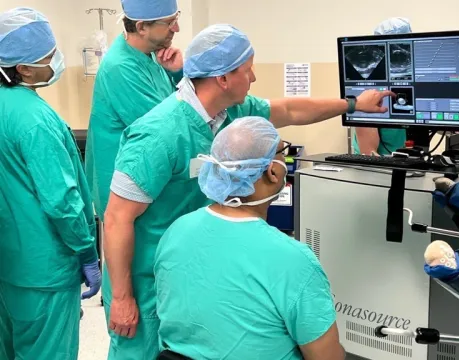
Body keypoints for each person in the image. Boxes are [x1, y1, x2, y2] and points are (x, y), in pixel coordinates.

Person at [102, 23, 393, 359]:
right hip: (147, 280)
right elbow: (115, 218)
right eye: (248, 69)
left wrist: (354, 104)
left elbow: (290, 111)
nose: (253, 77)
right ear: (223, 78)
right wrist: (123, 297)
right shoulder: (159, 134)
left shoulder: (232, 113)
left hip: (195, 263)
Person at [154, 116, 345, 360]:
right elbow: (327, 357)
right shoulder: (293, 260)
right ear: (273, 172)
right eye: (281, 152)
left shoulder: (177, 231)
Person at [0, 7, 101, 360]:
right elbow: (61, 200)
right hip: (45, 271)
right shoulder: (35, 120)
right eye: (48, 55)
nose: (56, 60)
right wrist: (87, 251)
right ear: (23, 68)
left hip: (9, 266)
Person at [85, 0, 183, 223]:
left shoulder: (152, 57)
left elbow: (174, 105)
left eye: (177, 19)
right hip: (131, 192)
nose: (176, 28)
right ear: (141, 27)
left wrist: (178, 73)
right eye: (170, 22)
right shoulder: (120, 67)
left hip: (150, 180)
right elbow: (168, 129)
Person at [353, 17, 411, 155]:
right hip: (378, 166)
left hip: (402, 160)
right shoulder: (368, 90)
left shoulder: (409, 81)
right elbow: (369, 154)